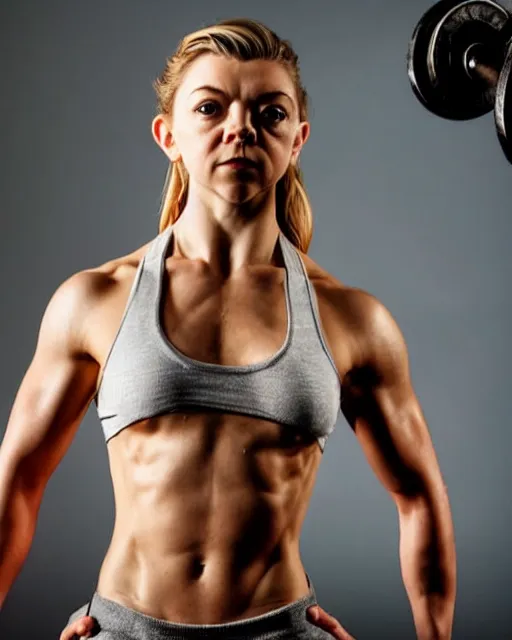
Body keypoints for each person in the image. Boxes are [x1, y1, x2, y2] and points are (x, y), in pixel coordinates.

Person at [0, 17, 456, 640]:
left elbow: (421, 498)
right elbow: (16, 485)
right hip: (126, 628)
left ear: (297, 140)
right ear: (168, 135)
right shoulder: (96, 300)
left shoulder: (351, 319)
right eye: (211, 108)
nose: (240, 128)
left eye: (270, 113)